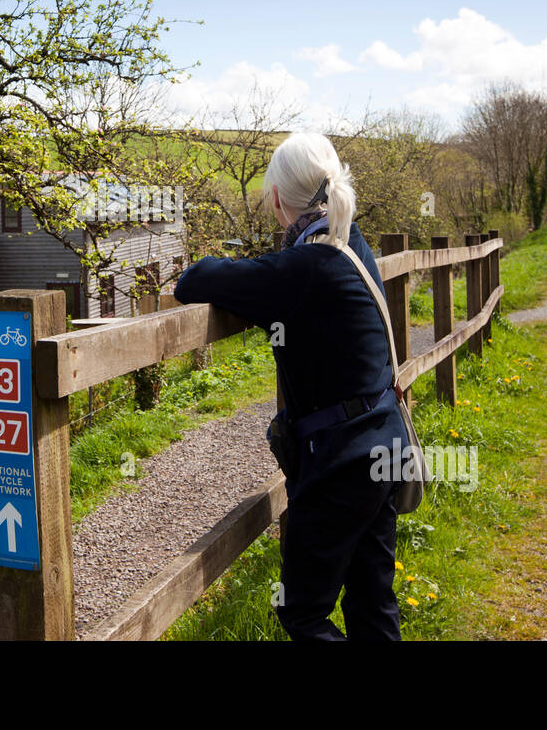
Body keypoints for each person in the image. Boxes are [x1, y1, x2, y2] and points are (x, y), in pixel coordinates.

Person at [173, 132, 410, 641]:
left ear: (278, 199)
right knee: (372, 598)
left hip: (342, 465)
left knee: (302, 612)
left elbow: (192, 281)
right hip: (384, 446)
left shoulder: (304, 266)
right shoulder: (352, 242)